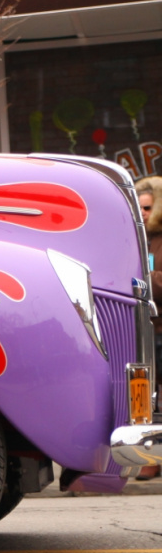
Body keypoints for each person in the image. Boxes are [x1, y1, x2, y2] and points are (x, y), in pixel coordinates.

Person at [131, 176, 162, 480]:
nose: (142, 213)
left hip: (160, 325)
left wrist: (144, 280)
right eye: (138, 207)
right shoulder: (133, 238)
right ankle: (148, 457)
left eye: (148, 207)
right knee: (143, 395)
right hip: (140, 329)